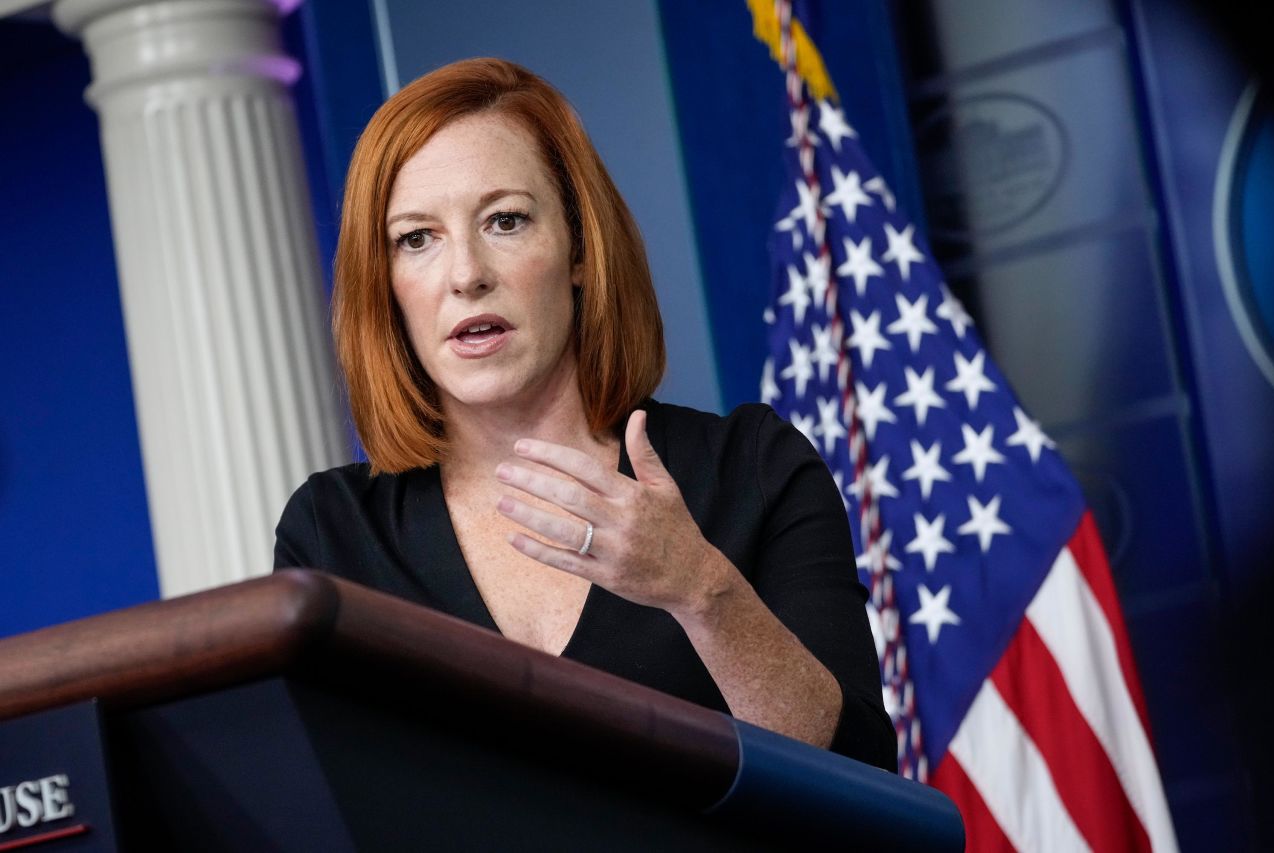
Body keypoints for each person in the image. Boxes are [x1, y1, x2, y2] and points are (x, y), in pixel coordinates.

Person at [273, 57, 894, 771]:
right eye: (417, 238)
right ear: (383, 284)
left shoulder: (756, 468)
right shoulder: (333, 533)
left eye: (505, 220)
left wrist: (699, 587)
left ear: (577, 248)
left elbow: (862, 776)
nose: (465, 273)